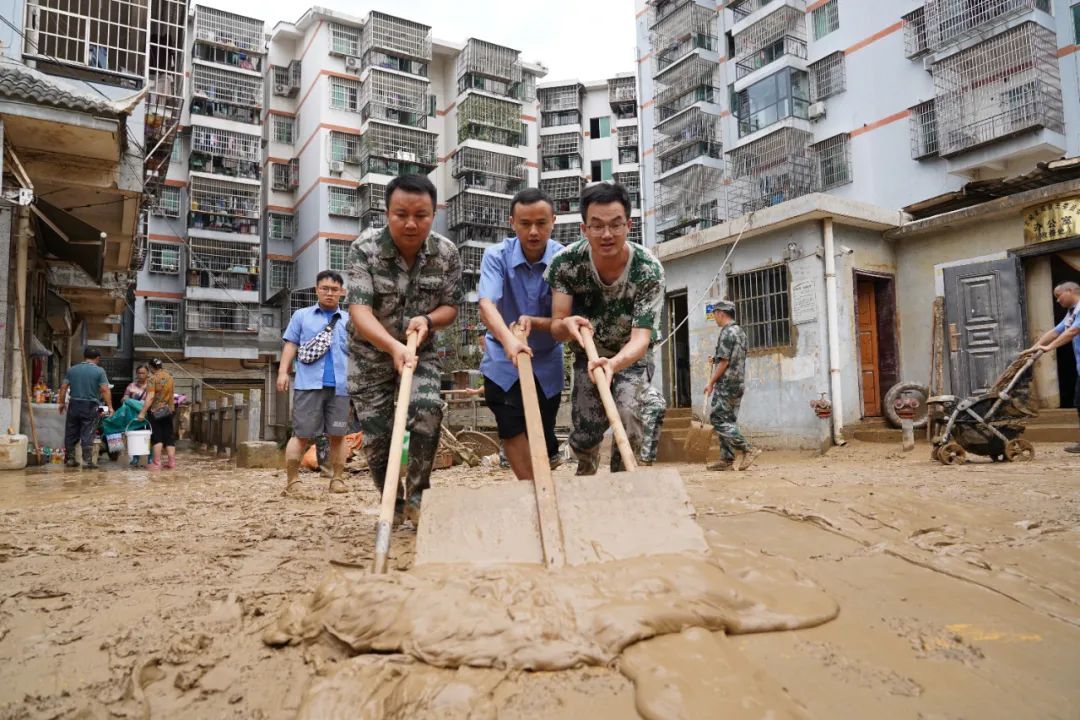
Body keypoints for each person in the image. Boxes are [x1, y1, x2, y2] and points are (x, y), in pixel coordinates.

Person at [346, 174, 462, 522]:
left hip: (419, 350)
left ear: (433, 214)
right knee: (378, 436)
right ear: (386, 213)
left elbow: (451, 308)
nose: (411, 223)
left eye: (421, 215)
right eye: (401, 214)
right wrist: (393, 347)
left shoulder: (446, 254)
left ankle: (417, 497)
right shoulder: (364, 250)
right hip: (369, 355)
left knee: (427, 410)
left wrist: (427, 320)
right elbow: (359, 312)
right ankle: (390, 502)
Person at [547, 182, 663, 474]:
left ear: (629, 225)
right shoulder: (566, 263)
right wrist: (567, 324)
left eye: (615, 225)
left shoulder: (648, 269)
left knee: (629, 416)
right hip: (588, 358)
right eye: (597, 226)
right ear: (584, 229)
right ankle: (586, 477)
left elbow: (641, 339)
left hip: (630, 358)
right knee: (585, 434)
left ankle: (622, 485)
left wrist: (614, 363)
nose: (607, 234)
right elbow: (556, 326)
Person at [478, 188, 564, 480]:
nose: (533, 231)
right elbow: (487, 304)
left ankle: (544, 478)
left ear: (554, 220)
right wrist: (509, 341)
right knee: (510, 425)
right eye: (525, 223)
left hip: (546, 361)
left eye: (541, 223)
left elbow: (561, 318)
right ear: (512, 222)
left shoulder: (563, 259)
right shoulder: (495, 256)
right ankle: (532, 490)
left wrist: (536, 325)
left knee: (542, 431)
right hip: (503, 358)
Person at [278, 270, 351, 494]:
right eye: (325, 289)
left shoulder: (350, 320)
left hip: (341, 386)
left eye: (334, 289)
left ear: (342, 292)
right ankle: (292, 482)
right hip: (308, 385)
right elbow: (290, 344)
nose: (329, 293)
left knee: (338, 435)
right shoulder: (301, 316)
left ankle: (337, 479)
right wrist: (283, 372)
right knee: (300, 435)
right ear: (316, 290)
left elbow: (360, 352)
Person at [703, 300, 761, 471]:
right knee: (729, 420)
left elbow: (725, 362)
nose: (715, 318)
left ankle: (748, 448)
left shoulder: (726, 332)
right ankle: (726, 459)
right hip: (738, 382)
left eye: (715, 315)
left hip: (726, 383)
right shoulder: (740, 332)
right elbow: (732, 357)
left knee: (718, 419)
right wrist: (715, 359)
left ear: (721, 313)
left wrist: (711, 383)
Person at [1027, 280, 1080, 453]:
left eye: (1059, 296)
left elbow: (1072, 332)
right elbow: (1056, 331)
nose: (1057, 301)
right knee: (1079, 402)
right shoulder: (1072, 313)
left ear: (1070, 291)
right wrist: (1035, 348)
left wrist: (1050, 347)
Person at [57, 347, 113, 469]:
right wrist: (109, 407)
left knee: (71, 431)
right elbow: (105, 389)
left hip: (74, 404)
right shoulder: (99, 371)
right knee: (88, 432)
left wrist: (61, 403)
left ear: (84, 356)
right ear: (97, 358)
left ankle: (70, 459)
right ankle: (87, 461)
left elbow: (63, 387)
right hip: (90, 405)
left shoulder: (72, 369)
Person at [136, 358, 177, 470]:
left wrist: (142, 412)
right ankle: (172, 463)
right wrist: (171, 408)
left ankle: (156, 463)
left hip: (155, 411)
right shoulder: (169, 377)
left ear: (151, 367)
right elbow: (172, 394)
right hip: (168, 410)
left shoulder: (152, 379)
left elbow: (150, 397)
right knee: (169, 437)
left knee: (157, 437)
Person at [123, 365, 150, 466]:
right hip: (134, 416)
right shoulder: (131, 386)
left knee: (149, 436)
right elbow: (124, 399)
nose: (141, 375)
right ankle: (135, 458)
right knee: (135, 436)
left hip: (148, 416)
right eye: (139, 373)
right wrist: (128, 400)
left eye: (143, 373)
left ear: (147, 374)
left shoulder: (151, 386)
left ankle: (150, 458)